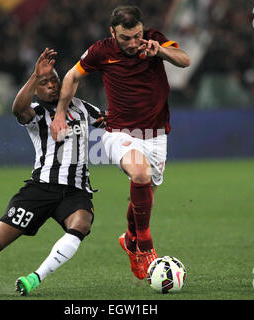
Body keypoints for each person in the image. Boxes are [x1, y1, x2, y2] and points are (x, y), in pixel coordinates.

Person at [0, 48, 106, 296]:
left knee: (81, 224)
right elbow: (18, 109)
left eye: (54, 81)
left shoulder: (83, 108)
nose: (51, 86)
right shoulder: (37, 113)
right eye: (44, 83)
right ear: (36, 89)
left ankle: (35, 278)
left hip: (75, 191)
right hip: (40, 189)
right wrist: (34, 76)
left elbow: (111, 120)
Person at [50, 5, 190, 280]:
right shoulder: (101, 51)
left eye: (136, 35)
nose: (133, 43)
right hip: (119, 133)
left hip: (157, 136)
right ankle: (146, 245)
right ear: (112, 32)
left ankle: (130, 239)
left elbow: (184, 60)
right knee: (140, 173)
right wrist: (59, 114)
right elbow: (72, 76)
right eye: (125, 38)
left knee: (144, 195)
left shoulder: (154, 40)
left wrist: (159, 51)